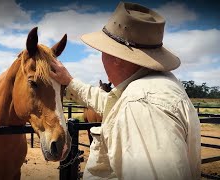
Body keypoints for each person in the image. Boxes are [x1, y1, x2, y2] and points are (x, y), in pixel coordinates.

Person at [50, 2, 201, 180]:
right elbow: (112, 104)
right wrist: (69, 82)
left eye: (103, 51)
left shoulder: (141, 105)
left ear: (117, 58)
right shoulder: (152, 86)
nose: (102, 57)